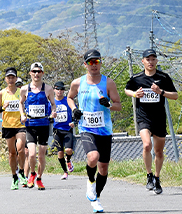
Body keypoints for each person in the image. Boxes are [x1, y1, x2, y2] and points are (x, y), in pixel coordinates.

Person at [67, 49, 121, 213]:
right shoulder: (77, 83)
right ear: (85, 64)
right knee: (93, 157)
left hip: (104, 130)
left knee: (103, 168)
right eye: (90, 62)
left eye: (96, 61)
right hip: (86, 127)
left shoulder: (108, 83)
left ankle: (96, 197)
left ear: (100, 62)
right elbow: (69, 97)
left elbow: (118, 105)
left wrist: (109, 105)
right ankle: (90, 181)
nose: (94, 65)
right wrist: (74, 109)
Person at [125, 48, 178, 195]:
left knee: (159, 152)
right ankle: (148, 176)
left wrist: (161, 92)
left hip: (159, 118)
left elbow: (175, 96)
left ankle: (157, 178)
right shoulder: (137, 78)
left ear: (156, 61)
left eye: (153, 59)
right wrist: (135, 94)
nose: (151, 62)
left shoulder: (163, 77)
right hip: (143, 117)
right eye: (148, 59)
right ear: (142, 61)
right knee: (147, 144)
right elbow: (126, 89)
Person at [19, 62, 57, 190]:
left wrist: (54, 111)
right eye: (34, 71)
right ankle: (32, 174)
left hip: (44, 125)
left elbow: (53, 103)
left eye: (39, 71)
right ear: (30, 73)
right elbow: (21, 103)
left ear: (42, 73)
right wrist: (22, 115)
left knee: (41, 154)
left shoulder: (48, 88)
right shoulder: (25, 89)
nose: (36, 74)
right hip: (30, 125)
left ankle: (39, 179)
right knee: (31, 154)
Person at [0, 67, 27, 190]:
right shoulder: (1, 94)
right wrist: (3, 107)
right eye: (9, 77)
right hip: (7, 125)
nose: (11, 79)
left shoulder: (22, 92)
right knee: (12, 153)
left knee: (21, 148)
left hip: (20, 125)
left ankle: (22, 172)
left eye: (13, 77)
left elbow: (27, 105)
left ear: (16, 78)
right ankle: (14, 177)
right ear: (5, 79)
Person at [52, 81, 75, 180]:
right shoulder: (52, 102)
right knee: (60, 153)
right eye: (57, 89)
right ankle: (65, 172)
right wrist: (51, 116)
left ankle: (68, 160)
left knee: (69, 150)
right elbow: (47, 115)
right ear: (54, 90)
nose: (59, 91)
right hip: (57, 130)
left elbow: (76, 112)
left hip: (67, 129)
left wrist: (74, 122)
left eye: (61, 90)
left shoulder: (68, 101)